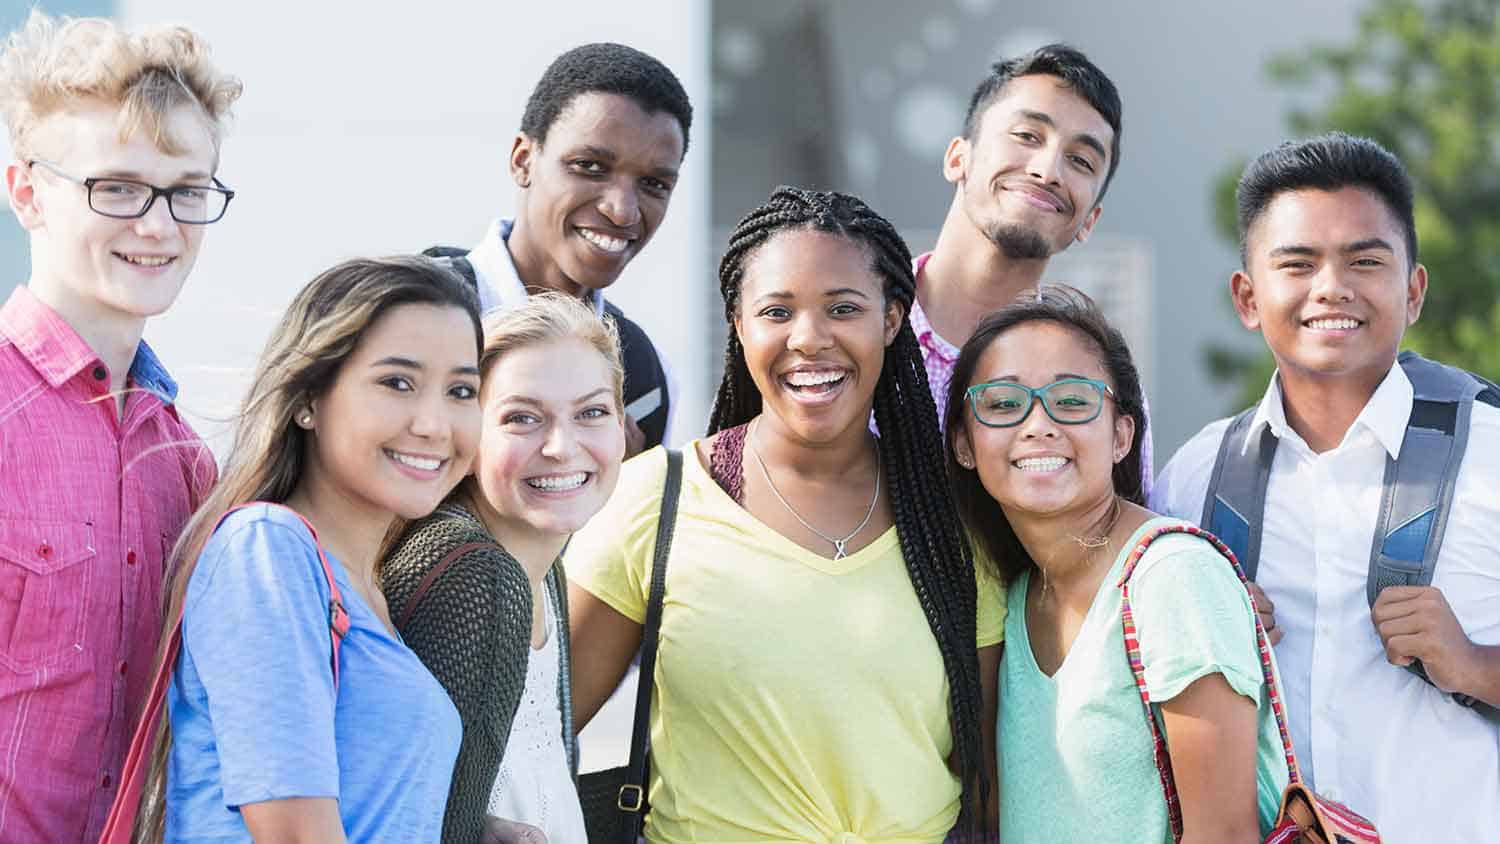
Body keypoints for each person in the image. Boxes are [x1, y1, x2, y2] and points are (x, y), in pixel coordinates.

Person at [567, 186, 1003, 842]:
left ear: (890, 320)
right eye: (777, 311)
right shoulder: (655, 501)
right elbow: (532, 735)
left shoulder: (955, 526)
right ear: (739, 326)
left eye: (843, 308)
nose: (809, 338)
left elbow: (985, 776)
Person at [1152, 133, 1500, 839]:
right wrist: (1199, 632)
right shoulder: (1195, 478)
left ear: (1414, 290)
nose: (1331, 288)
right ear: (1248, 298)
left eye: (1364, 261)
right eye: (1298, 264)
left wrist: (1471, 664)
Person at [133, 257, 482, 842]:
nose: (433, 423)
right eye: (397, 382)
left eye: (461, 390)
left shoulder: (364, 586)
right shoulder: (268, 550)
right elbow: (295, 834)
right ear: (309, 400)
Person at [0, 12, 237, 841]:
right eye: (118, 187)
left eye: (188, 191)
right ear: (26, 191)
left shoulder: (188, 461)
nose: (160, 225)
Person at [947, 285, 1289, 842]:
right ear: (964, 444)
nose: (1038, 424)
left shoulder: (1173, 577)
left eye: (1073, 400)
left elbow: (1223, 834)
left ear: (1121, 436)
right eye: (1003, 403)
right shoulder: (1014, 595)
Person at [383, 293, 628, 843]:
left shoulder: (547, 567)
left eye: (591, 412)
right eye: (522, 418)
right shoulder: (474, 578)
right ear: (467, 437)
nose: (563, 447)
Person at [428, 42, 692, 456]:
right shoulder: (412, 316)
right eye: (590, 166)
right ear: (523, 160)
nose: (622, 211)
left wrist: (618, 489)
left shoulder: (644, 378)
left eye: (654, 184)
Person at [916, 44, 1154, 490]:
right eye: (1027, 136)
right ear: (957, 158)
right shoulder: (857, 326)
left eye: (1081, 161)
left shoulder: (1102, 382)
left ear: (1090, 220)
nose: (1047, 170)